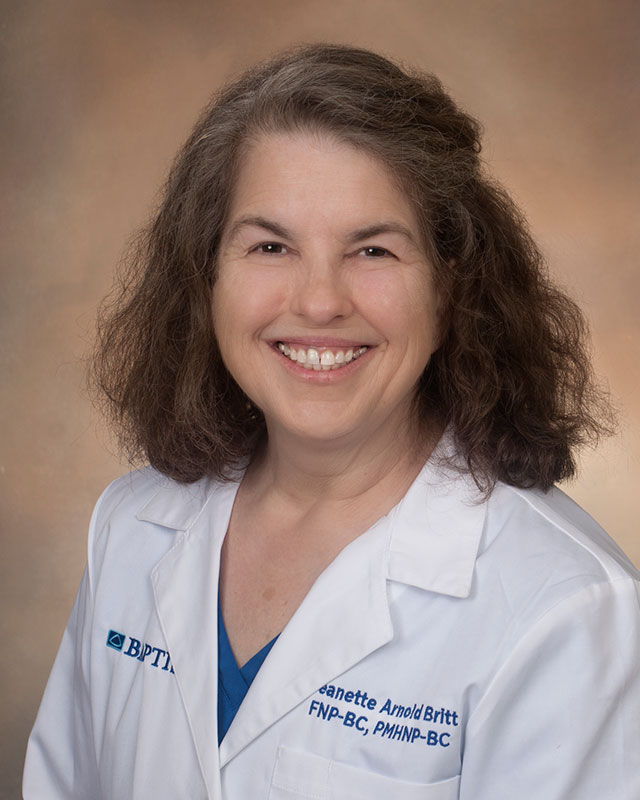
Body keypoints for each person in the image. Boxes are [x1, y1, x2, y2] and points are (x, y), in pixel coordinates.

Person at [23, 44, 639, 799]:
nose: (319, 302)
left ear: (450, 290)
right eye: (270, 246)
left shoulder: (568, 609)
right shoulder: (129, 527)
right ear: (207, 276)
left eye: (373, 250)